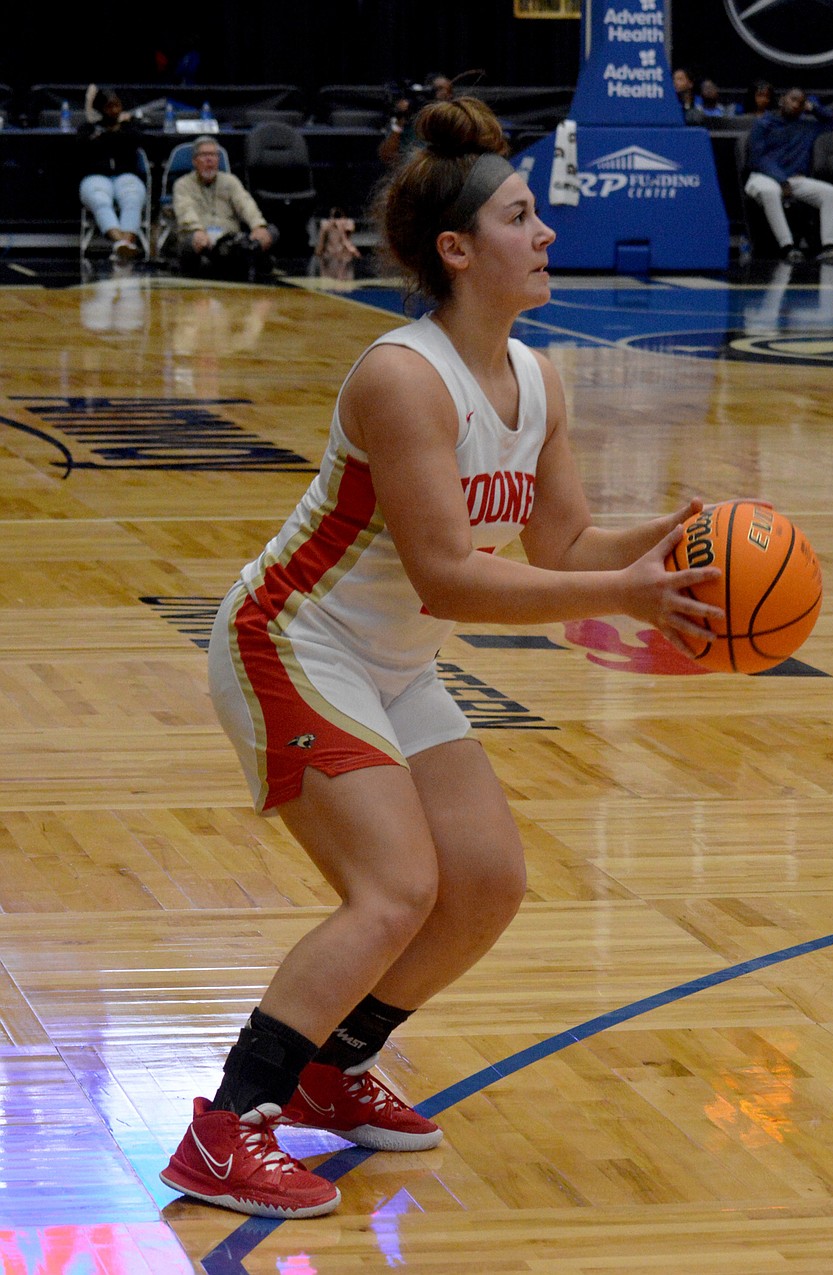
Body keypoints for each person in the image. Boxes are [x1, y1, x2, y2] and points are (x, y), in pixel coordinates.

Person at [159, 94, 724, 1221]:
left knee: (486, 885)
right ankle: (227, 1127)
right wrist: (628, 598)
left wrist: (662, 540)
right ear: (459, 250)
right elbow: (452, 578)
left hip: (393, 661)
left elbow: (557, 540)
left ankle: (334, 1064)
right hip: (294, 638)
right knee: (396, 888)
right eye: (525, 216)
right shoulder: (402, 376)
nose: (548, 234)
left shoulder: (540, 375)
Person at [744, 86, 833, 264]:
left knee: (830, 192)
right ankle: (787, 247)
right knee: (770, 191)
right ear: (782, 100)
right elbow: (757, 158)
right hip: (763, 177)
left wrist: (814, 108)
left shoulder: (808, 127)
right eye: (793, 99)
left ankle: (828, 247)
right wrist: (781, 180)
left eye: (801, 102)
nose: (796, 104)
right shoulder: (764, 123)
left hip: (793, 180)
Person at [172, 136, 279, 279]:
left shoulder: (230, 181)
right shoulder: (182, 184)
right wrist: (197, 230)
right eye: (204, 155)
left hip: (230, 241)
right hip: (200, 240)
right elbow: (185, 211)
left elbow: (245, 204)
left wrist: (257, 226)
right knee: (192, 243)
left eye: (213, 155)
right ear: (194, 161)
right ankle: (252, 261)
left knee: (271, 231)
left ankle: (250, 256)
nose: (209, 159)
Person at [76, 86, 147, 263]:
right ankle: (121, 243)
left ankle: (124, 244)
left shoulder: (129, 128)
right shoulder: (87, 129)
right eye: (109, 107)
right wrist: (105, 134)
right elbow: (85, 146)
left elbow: (134, 140)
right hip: (96, 176)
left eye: (117, 106)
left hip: (126, 175)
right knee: (100, 200)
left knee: (132, 197)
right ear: (100, 109)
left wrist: (116, 131)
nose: (114, 111)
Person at [378, 72, 455, 166]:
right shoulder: (409, 116)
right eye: (438, 89)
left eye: (449, 91)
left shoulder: (454, 120)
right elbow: (387, 157)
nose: (445, 94)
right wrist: (400, 121)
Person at [313, 206, 362, 280]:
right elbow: (321, 241)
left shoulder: (347, 223)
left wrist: (341, 228)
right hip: (330, 253)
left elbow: (346, 238)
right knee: (327, 275)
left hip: (343, 254)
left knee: (343, 274)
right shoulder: (326, 224)